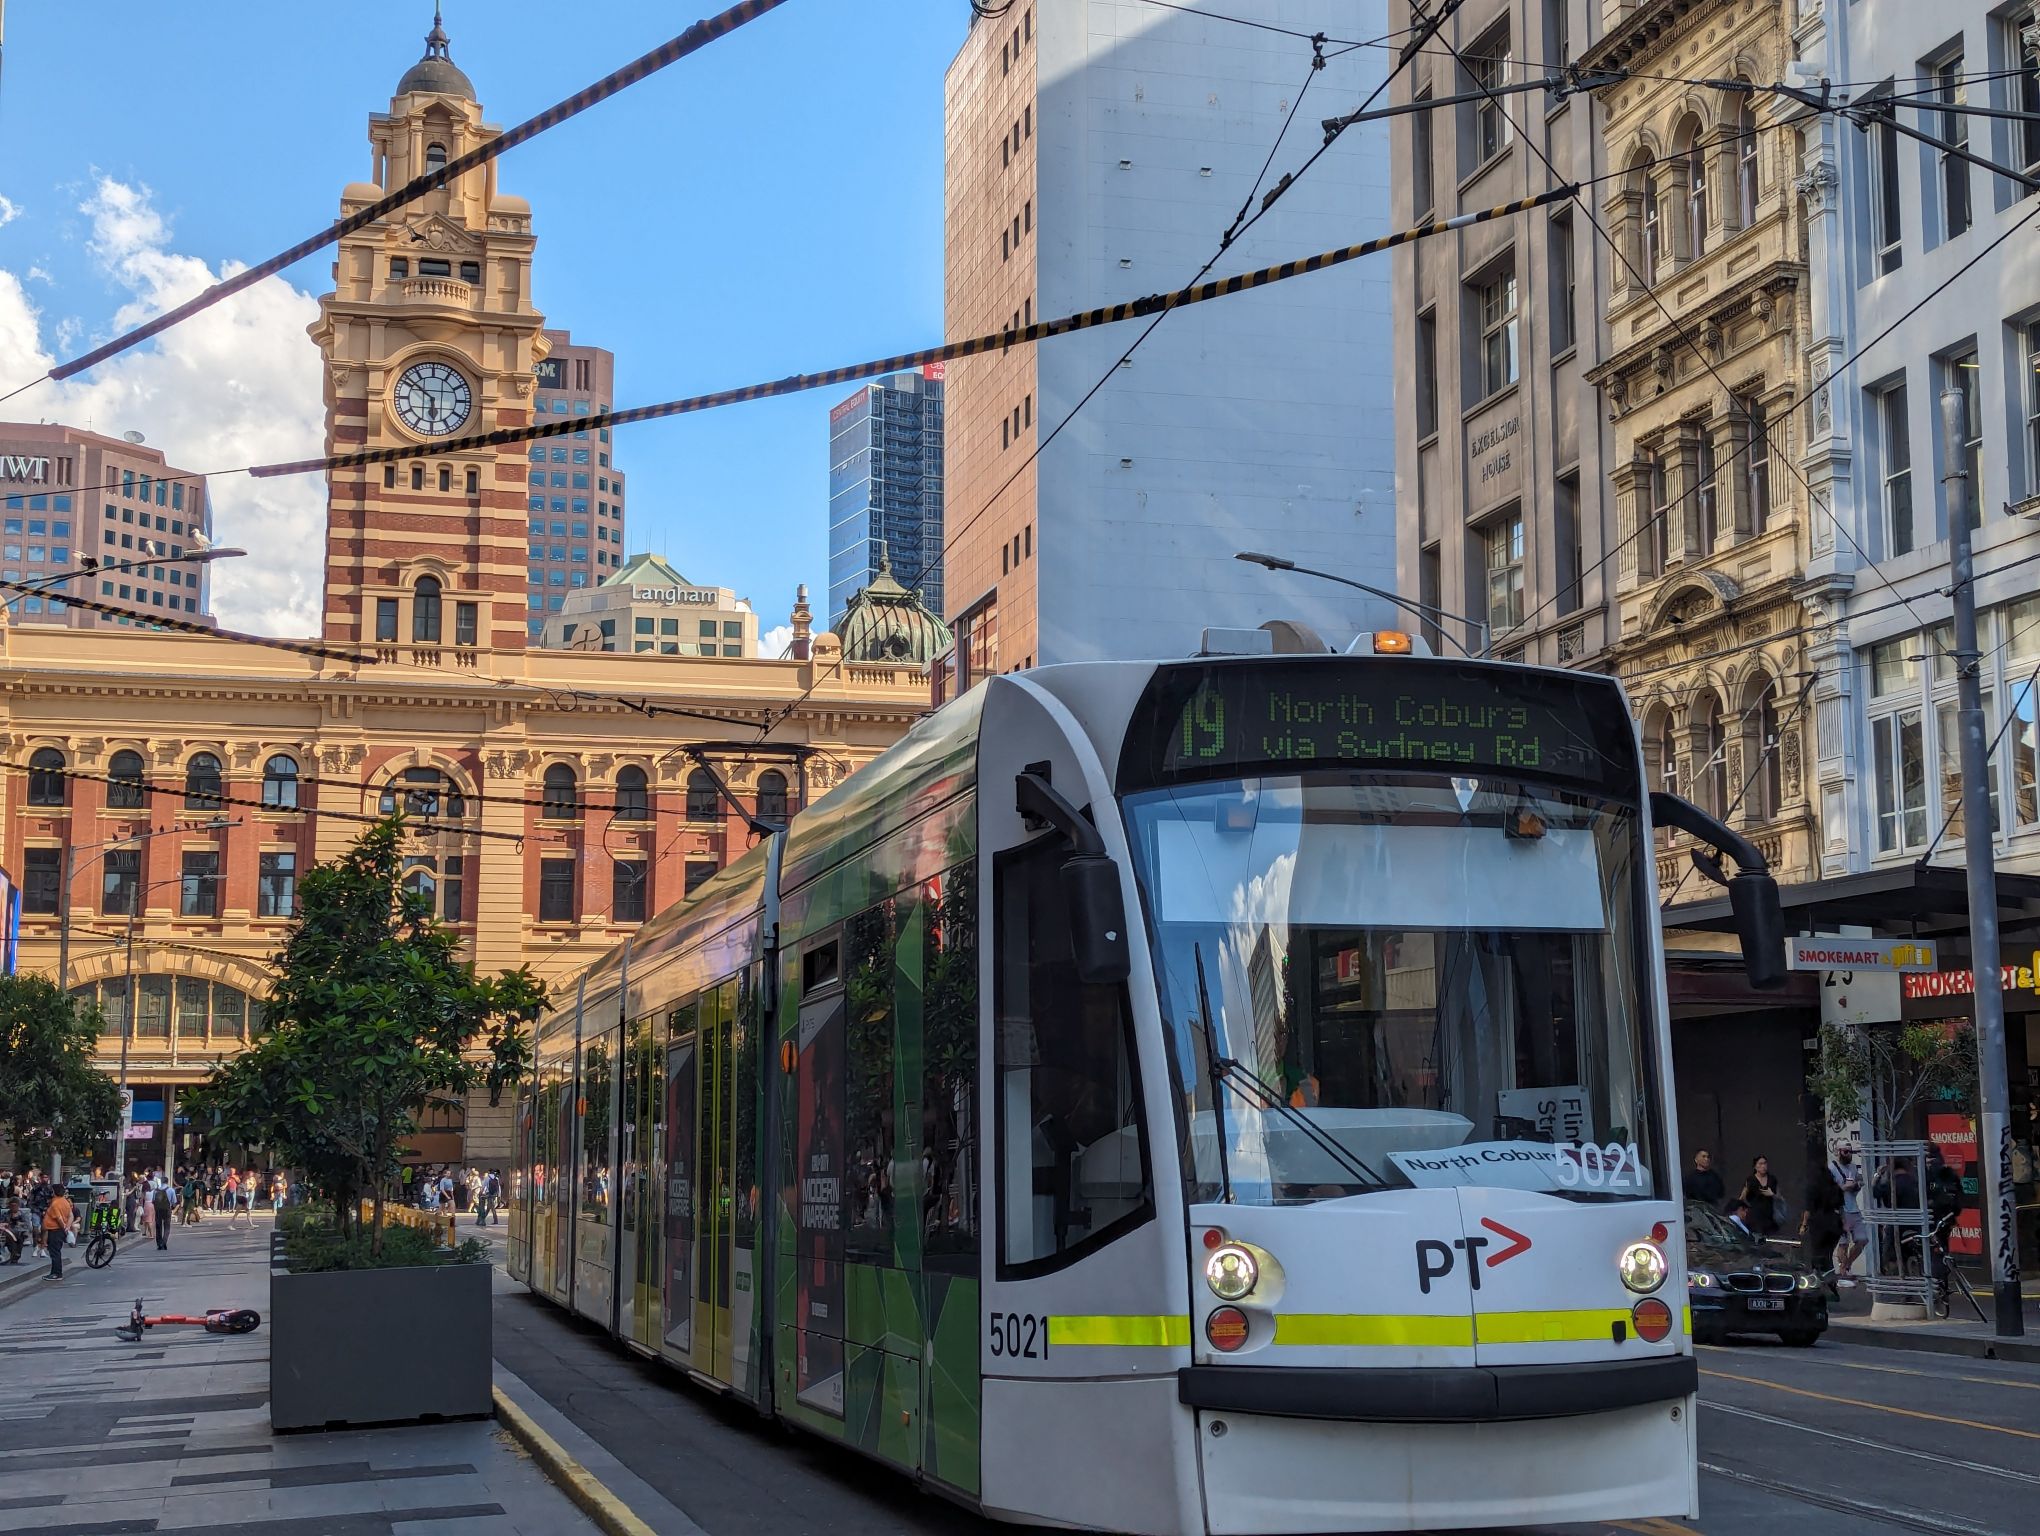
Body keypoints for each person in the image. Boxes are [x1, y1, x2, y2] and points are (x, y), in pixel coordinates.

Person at [1829, 1143, 1867, 1285]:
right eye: (1845, 1151)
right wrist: (1845, 1187)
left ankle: (1846, 1266)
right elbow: (1829, 1191)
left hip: (1853, 1208)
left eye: (1850, 1151)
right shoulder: (1831, 1169)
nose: (1849, 1154)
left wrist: (1856, 1185)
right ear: (1838, 1152)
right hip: (1841, 1209)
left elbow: (1860, 1180)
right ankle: (1844, 1273)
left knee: (1862, 1239)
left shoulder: (1852, 1167)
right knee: (1843, 1243)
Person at [1741, 1154, 1783, 1240]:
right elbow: (1742, 1197)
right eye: (1760, 1164)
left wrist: (1771, 1194)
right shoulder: (1750, 1180)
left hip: (1769, 1217)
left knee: (1769, 1240)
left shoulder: (1772, 1179)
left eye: (1765, 1163)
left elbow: (1780, 1197)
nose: (1763, 1166)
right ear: (1755, 1166)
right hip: (1755, 1216)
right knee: (1756, 1240)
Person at [41, 1184, 74, 1280]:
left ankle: (56, 1273)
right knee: (56, 1251)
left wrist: (64, 1228)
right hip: (58, 1230)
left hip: (55, 1230)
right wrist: (67, 1227)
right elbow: (71, 1216)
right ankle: (55, 1272)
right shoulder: (65, 1202)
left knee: (54, 1253)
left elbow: (59, 1218)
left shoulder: (55, 1203)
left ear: (54, 1192)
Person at [152, 1178, 173, 1249]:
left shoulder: (155, 1191)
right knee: (167, 1226)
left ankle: (159, 1243)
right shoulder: (171, 1190)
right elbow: (174, 1201)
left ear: (161, 1182)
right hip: (167, 1210)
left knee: (158, 1226)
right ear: (168, 1182)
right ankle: (164, 1242)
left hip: (158, 1210)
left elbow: (153, 1201)